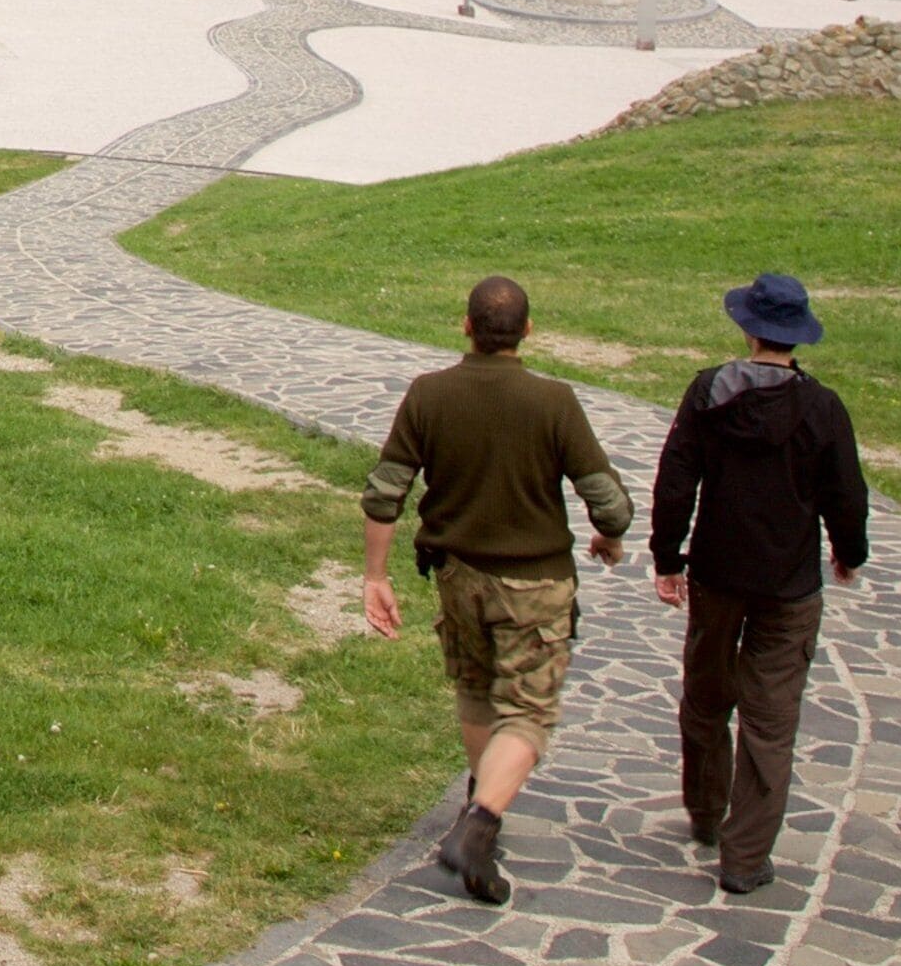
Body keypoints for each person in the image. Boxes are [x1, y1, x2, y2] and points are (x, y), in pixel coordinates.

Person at [361, 276, 633, 905]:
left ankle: (479, 814)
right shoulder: (555, 401)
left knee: (478, 694)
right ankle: (479, 824)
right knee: (530, 713)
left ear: (466, 326)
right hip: (536, 584)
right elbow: (610, 506)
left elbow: (385, 494)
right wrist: (609, 537)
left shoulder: (429, 395)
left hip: (459, 579)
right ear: (529, 331)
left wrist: (375, 578)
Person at [650, 271, 869, 896]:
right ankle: (746, 856)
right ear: (795, 338)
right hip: (789, 583)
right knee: (771, 723)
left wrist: (668, 556)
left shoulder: (708, 394)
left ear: (747, 330)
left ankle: (705, 809)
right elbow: (846, 493)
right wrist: (848, 552)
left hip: (717, 572)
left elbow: (675, 478)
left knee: (706, 694)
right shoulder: (822, 408)